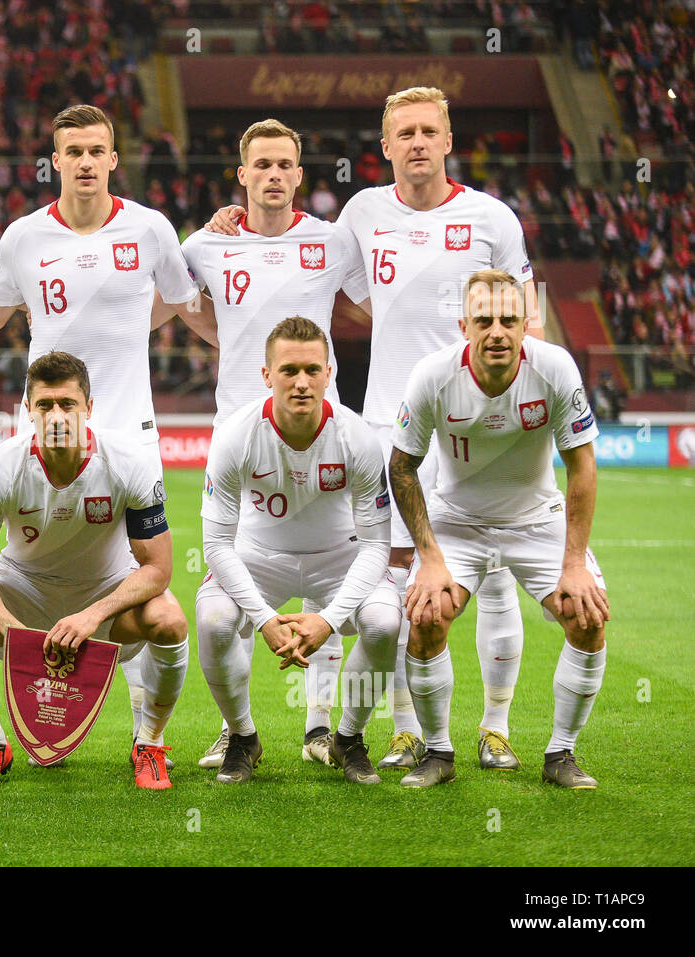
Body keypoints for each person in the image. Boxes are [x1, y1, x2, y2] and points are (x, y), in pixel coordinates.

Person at [209, 87, 541, 773]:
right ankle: (395, 728)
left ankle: (497, 726)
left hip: (481, 428)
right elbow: (328, 280)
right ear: (386, 147)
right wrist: (233, 221)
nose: (417, 142)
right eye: (404, 133)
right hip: (395, 426)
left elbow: (525, 319)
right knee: (385, 585)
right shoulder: (360, 214)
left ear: (449, 141)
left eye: (429, 131)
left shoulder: (492, 218)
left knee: (497, 572)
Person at [0, 103, 205, 755]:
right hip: (45, 433)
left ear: (112, 158)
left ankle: (145, 736)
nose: (83, 161)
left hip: (131, 433)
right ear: (55, 161)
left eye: (95, 150)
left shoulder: (151, 229)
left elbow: (179, 300)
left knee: (144, 586)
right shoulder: (22, 237)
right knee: (34, 565)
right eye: (71, 151)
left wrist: (132, 325)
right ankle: (23, 698)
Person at [182, 118, 365, 770]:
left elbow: (373, 302)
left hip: (322, 431)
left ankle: (320, 728)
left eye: (285, 164)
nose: (274, 175)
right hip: (237, 432)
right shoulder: (207, 243)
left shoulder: (332, 241)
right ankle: (239, 729)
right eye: (261, 165)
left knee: (325, 571)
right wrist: (227, 341)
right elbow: (175, 295)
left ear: (299, 174)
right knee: (227, 584)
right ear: (242, 174)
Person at [389, 271, 607, 789]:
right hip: (458, 522)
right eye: (484, 320)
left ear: (526, 323)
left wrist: (574, 564)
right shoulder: (432, 375)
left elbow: (582, 464)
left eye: (509, 319)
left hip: (537, 522)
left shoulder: (554, 369)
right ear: (464, 325)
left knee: (588, 615)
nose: (497, 331)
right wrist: (432, 557)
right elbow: (401, 467)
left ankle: (561, 754)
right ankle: (438, 752)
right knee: (425, 615)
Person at [0, 351, 189, 789]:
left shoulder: (128, 462)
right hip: (23, 591)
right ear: (28, 410)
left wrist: (93, 615)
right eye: (45, 404)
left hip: (104, 597)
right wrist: (15, 633)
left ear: (89, 408)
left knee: (169, 621)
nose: (56, 415)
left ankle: (149, 743)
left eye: (67, 404)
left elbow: (158, 569)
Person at [198, 316, 401, 784]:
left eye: (312, 370)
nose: (302, 383)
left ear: (329, 373)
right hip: (258, 557)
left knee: (383, 621)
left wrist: (328, 620)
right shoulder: (236, 435)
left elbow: (376, 545)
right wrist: (265, 620)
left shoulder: (358, 437)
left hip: (339, 557)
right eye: (289, 370)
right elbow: (215, 544)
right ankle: (242, 736)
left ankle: (348, 739)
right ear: (267, 375)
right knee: (214, 619)